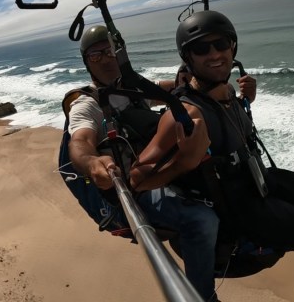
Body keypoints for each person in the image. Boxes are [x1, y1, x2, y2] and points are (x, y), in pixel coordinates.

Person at [130, 10, 294, 297]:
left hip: (262, 179)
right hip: (245, 207)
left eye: (221, 45)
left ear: (233, 47)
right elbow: (138, 179)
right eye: (201, 49)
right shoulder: (185, 113)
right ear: (187, 58)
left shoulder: (226, 91)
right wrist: (184, 162)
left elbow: (230, 130)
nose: (214, 54)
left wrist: (244, 101)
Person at [66, 25, 221, 300]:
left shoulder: (131, 89)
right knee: (201, 219)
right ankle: (203, 296)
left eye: (111, 50)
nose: (105, 58)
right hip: (136, 188)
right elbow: (79, 142)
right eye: (95, 55)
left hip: (158, 168)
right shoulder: (87, 105)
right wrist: (92, 163)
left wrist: (202, 79)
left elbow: (165, 89)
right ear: (87, 63)